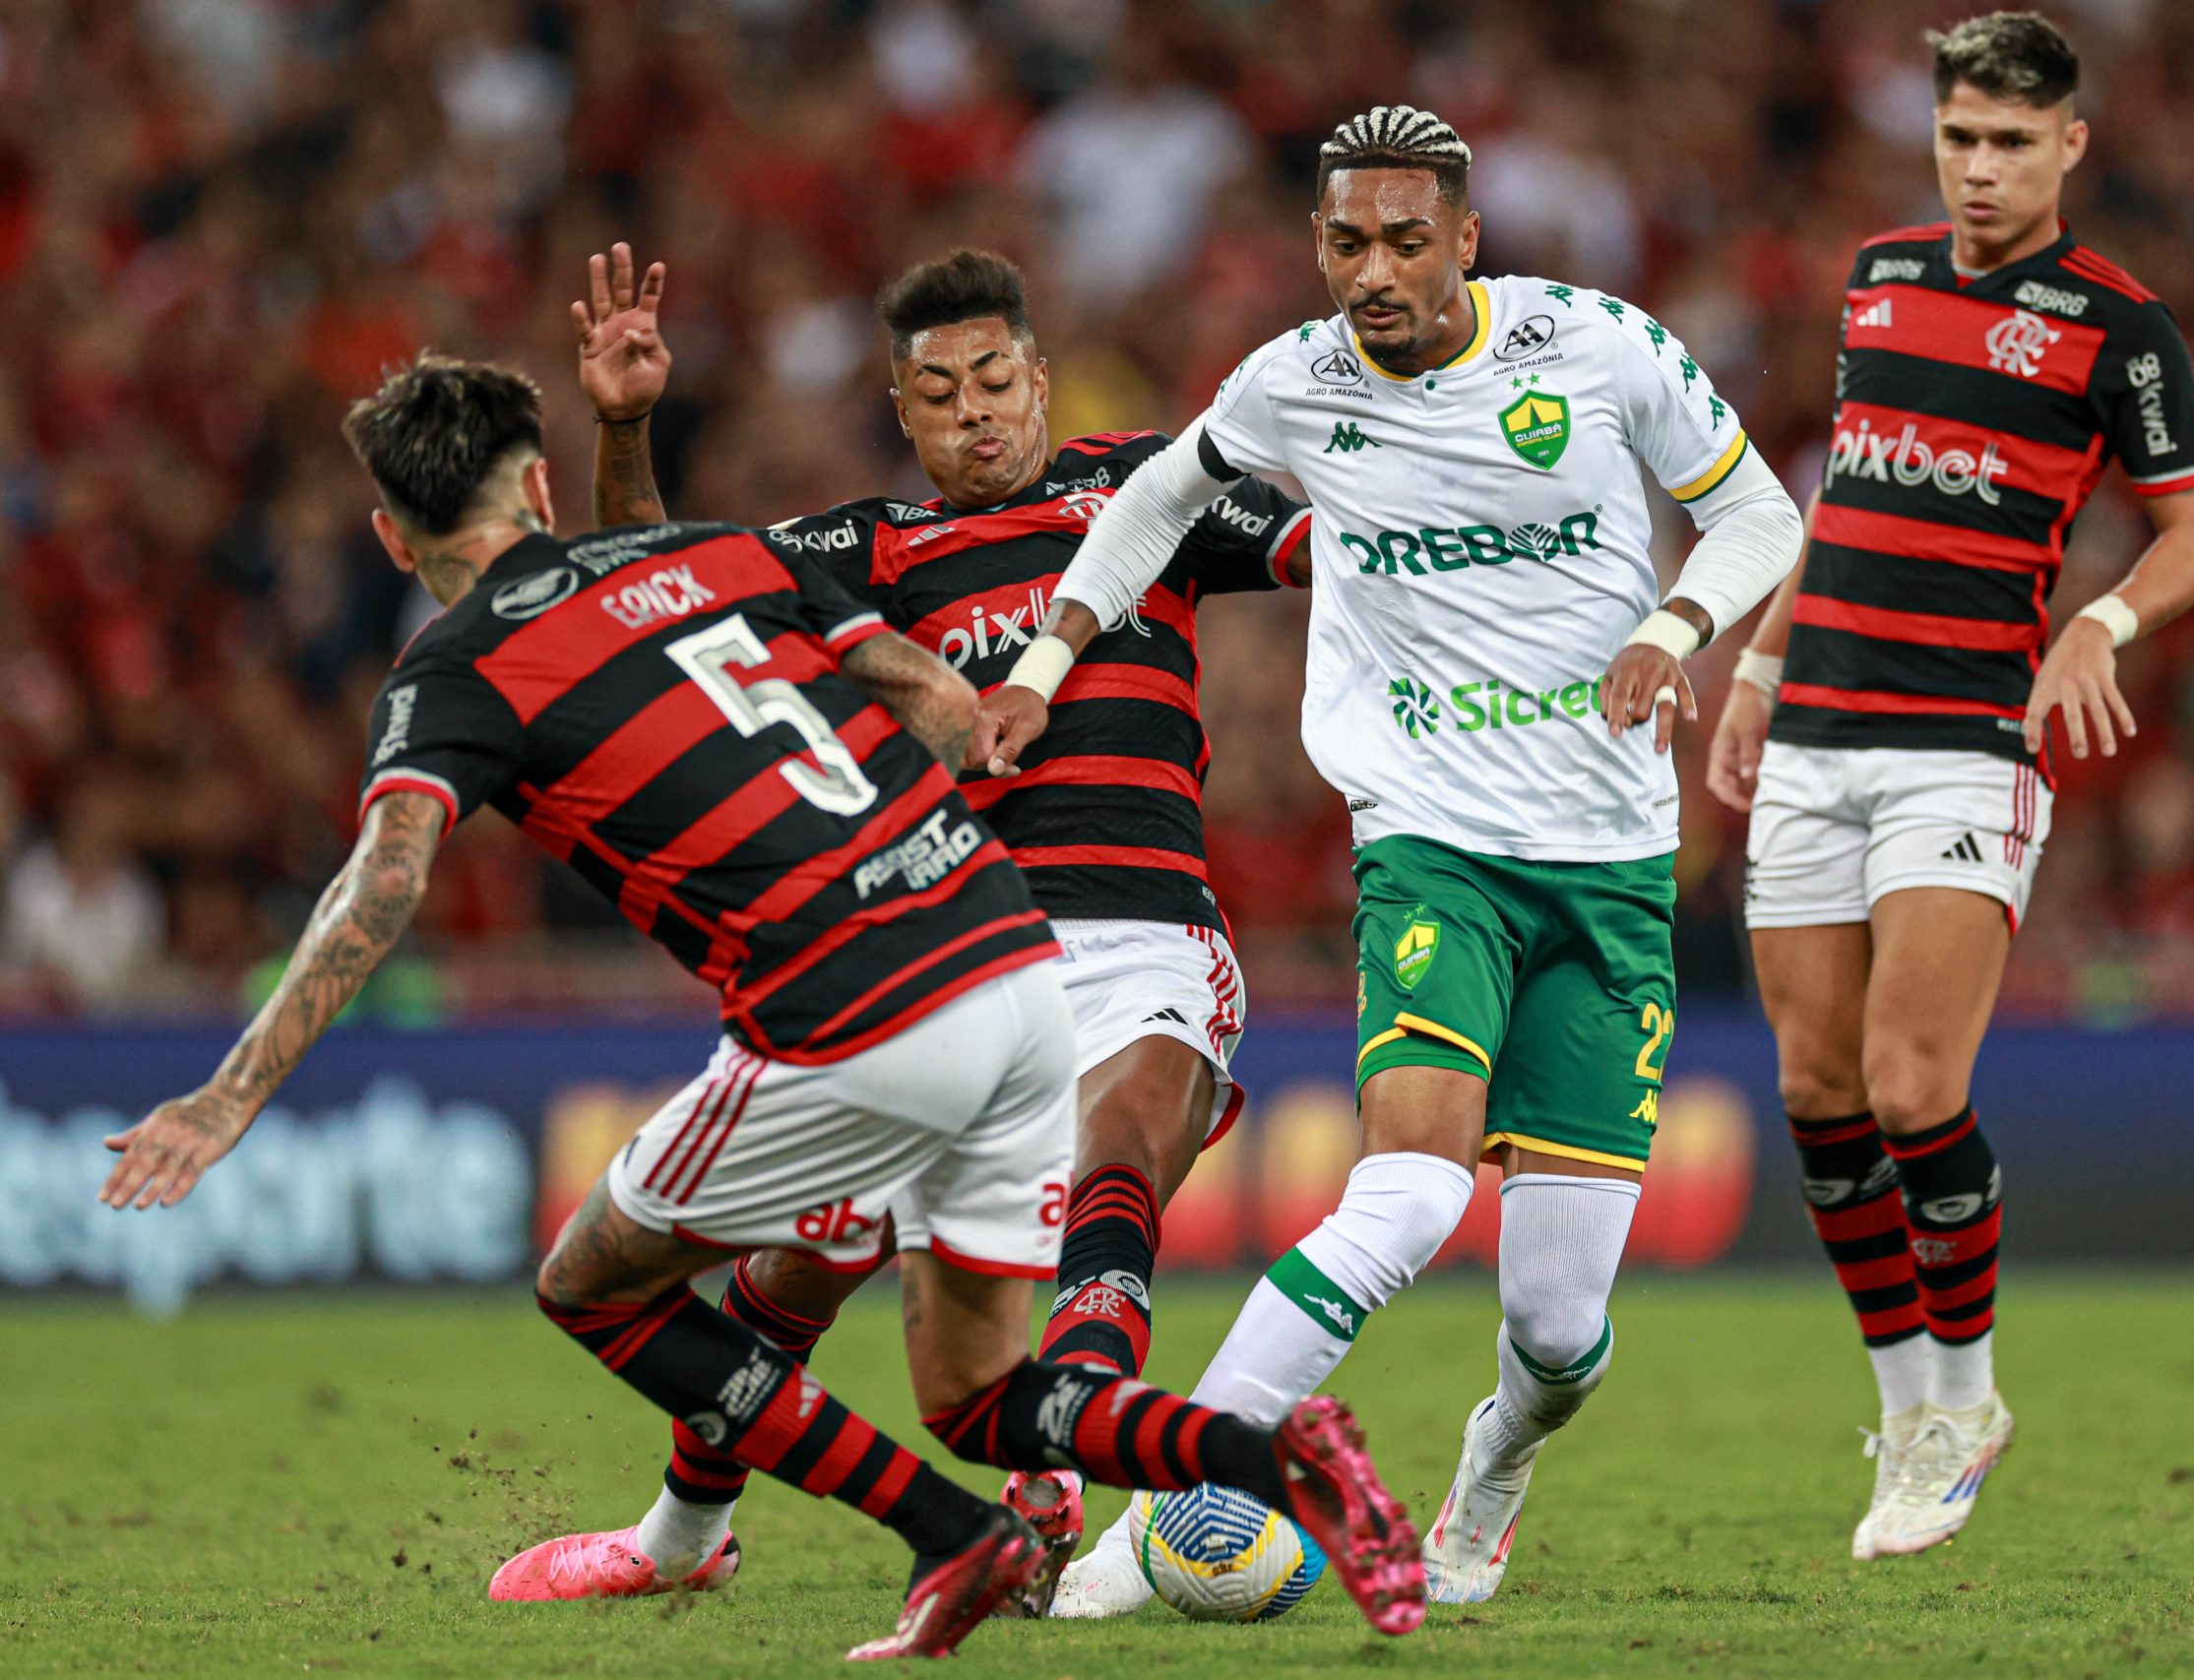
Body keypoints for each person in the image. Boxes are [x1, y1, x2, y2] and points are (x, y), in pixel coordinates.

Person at [95, 355, 1423, 1654]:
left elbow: (379, 887)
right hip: (1004, 955)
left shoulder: (455, 672)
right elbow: (920, 687)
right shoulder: (721, 561)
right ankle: (1273, 1456)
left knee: (594, 1285)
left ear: (391, 536)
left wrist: (228, 1094)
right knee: (967, 1388)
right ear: (542, 481)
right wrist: (986, 737)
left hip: (854, 1005)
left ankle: (921, 1537)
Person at [973, 104, 1804, 1611]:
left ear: (1466, 242)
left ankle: (1495, 1458)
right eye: (1347, 240)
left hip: (1612, 872)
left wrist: (1675, 625)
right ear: (1318, 243)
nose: (1374, 270)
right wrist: (1045, 660)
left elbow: (1759, 517)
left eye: (1406, 241)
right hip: (1432, 848)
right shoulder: (1291, 385)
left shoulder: (1597, 349)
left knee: (1558, 1333)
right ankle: (1151, 1526)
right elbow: (1152, 498)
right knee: (1410, 1194)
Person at [499, 244, 1311, 1612]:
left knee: (1117, 1162)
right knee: (801, 1262)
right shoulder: (862, 550)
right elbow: (649, 593)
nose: (975, 411)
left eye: (996, 379)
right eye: (940, 393)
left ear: (1040, 381)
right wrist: (628, 425)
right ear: (903, 414)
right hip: (948, 960)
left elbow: (1334, 546)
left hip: (1143, 936)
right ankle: (679, 1540)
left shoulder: (1143, 490)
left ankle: (1051, 1485)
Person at [1703, 11, 2194, 1559]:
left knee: (1915, 1085)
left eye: (2012, 141)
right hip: (1815, 731)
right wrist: (1756, 664)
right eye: (1960, 139)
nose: (1981, 167)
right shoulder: (1879, 275)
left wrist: (2099, 621)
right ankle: (1912, 1411)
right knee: (1813, 1091)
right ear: (1932, 140)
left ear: (2073, 144)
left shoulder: (2117, 325)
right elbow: (1848, 480)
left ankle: (1971, 1395)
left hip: (1961, 737)